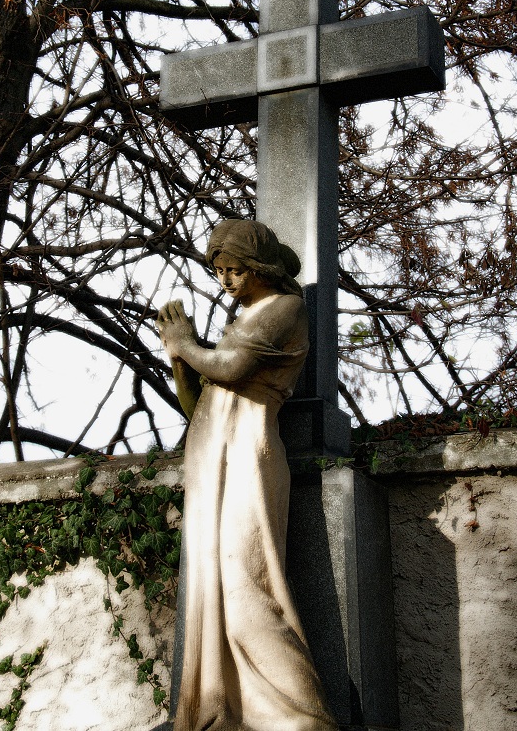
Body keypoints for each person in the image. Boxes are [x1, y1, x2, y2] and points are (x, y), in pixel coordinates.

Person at [157, 219, 336, 731]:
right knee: (211, 585)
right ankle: (223, 707)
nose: (226, 282)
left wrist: (186, 343)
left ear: (259, 266)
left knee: (248, 585)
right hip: (209, 454)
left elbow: (233, 369)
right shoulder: (244, 321)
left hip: (248, 452)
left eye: (234, 270)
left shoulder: (286, 309)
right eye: (219, 272)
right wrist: (179, 361)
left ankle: (300, 717)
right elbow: (198, 404)